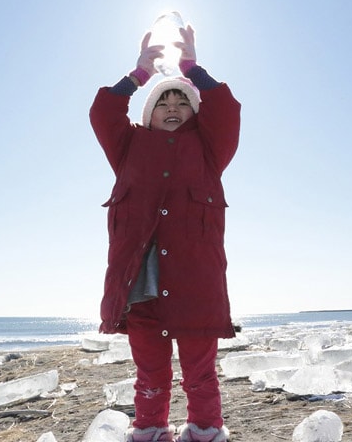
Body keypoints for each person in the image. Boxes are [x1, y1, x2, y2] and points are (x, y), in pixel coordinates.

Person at [89, 24, 241, 442]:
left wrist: (194, 72)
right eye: (162, 101)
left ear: (195, 113)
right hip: (140, 286)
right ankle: (151, 429)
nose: (172, 106)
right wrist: (138, 75)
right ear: (148, 112)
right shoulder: (128, 147)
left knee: (199, 371)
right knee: (151, 371)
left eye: (182, 102)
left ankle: (205, 431)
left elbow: (226, 111)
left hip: (196, 282)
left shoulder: (210, 151)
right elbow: (103, 112)